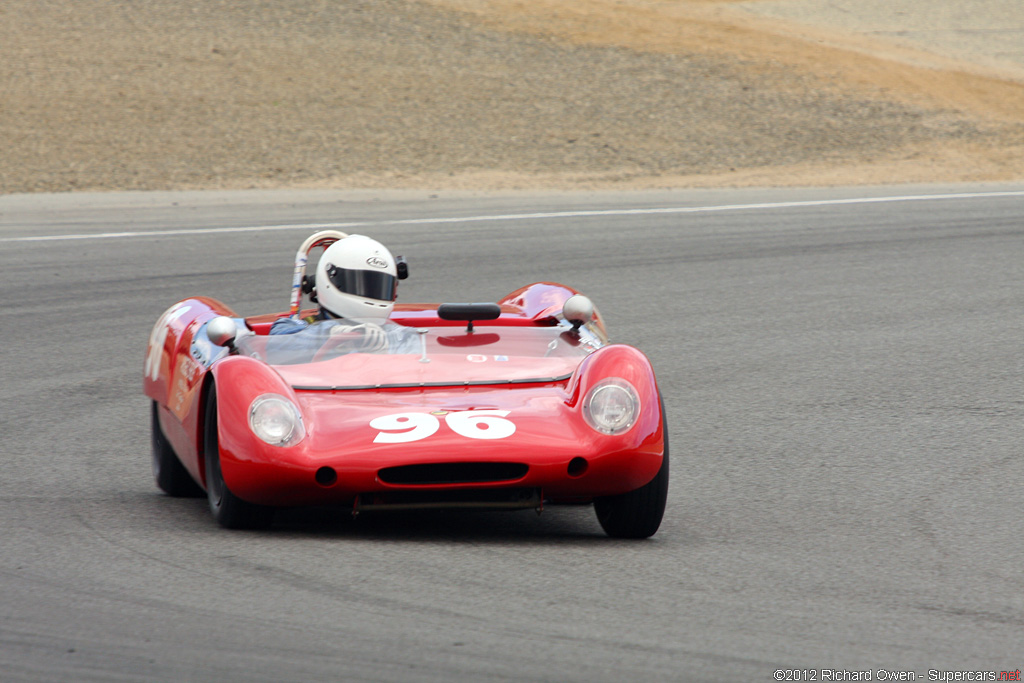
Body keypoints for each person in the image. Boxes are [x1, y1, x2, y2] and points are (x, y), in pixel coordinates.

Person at [268, 234, 418, 360]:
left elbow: (417, 373)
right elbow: (275, 343)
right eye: (362, 284)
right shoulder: (299, 329)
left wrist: (386, 358)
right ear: (330, 279)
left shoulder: (401, 337)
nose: (372, 292)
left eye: (379, 285)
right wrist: (329, 333)